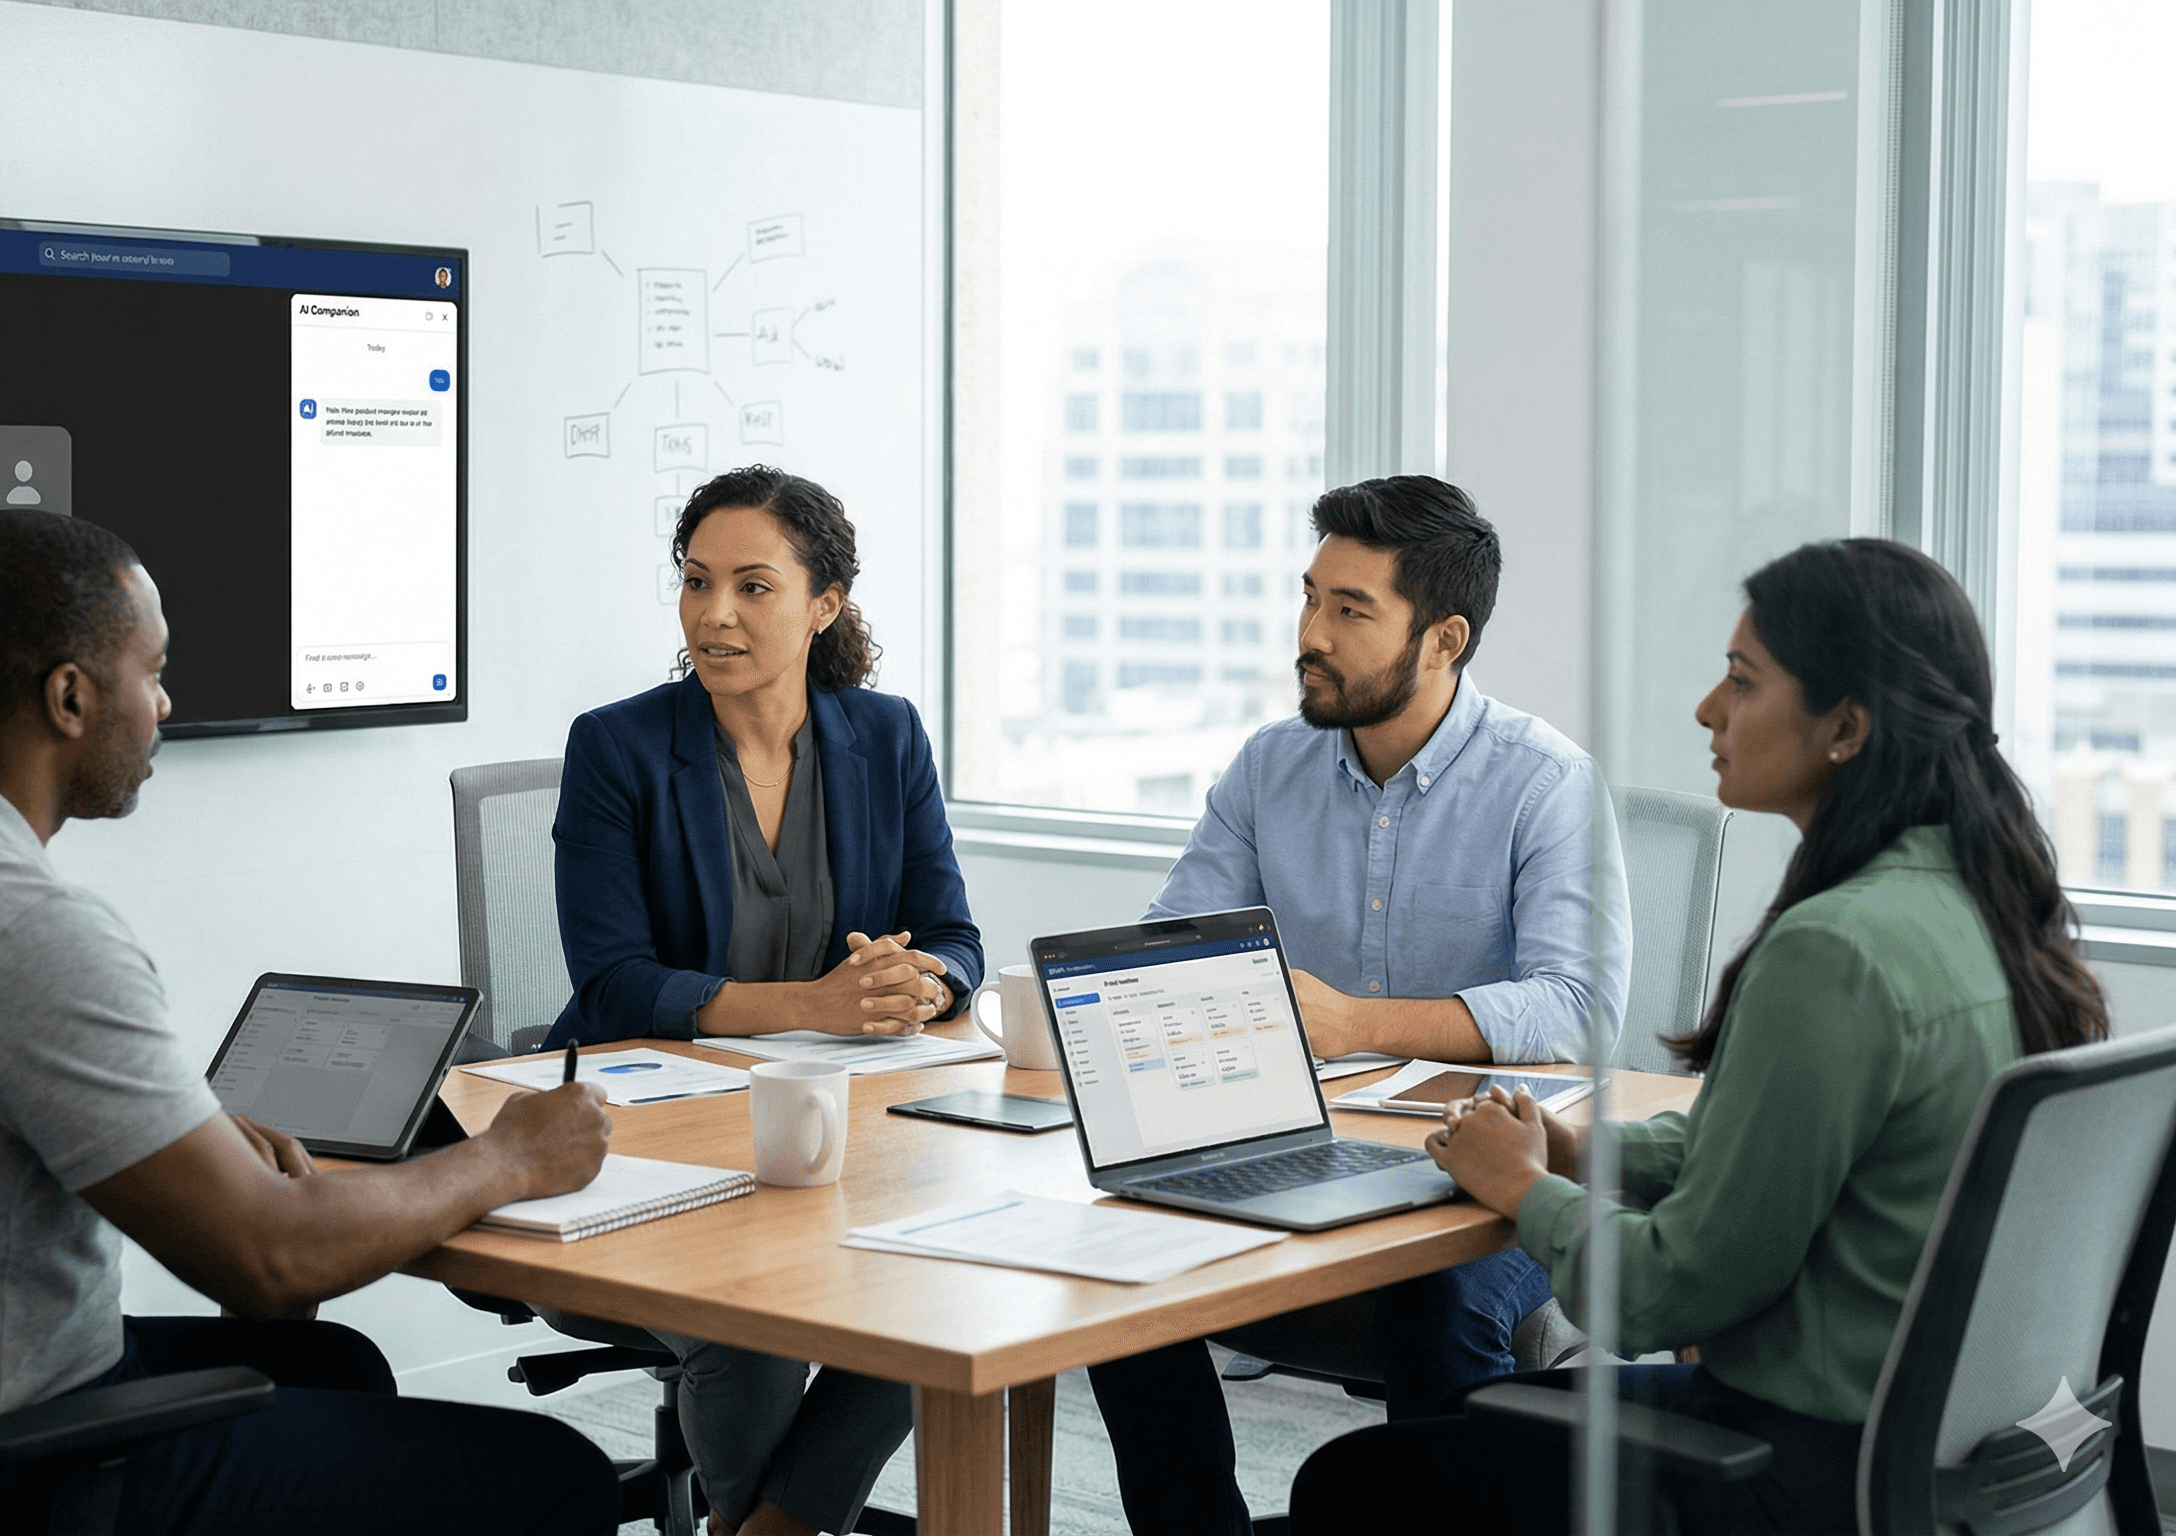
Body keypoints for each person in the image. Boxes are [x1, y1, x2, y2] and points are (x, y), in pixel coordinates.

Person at [0, 510, 621, 1536]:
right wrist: (511, 1158)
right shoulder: (23, 928)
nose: (164, 705)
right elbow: (268, 1260)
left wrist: (194, 1152)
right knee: (562, 1477)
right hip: (0, 1472)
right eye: (151, 673)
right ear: (70, 697)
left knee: (331, 1367)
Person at [1287, 537, 2110, 1534]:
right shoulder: (1981, 903)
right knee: (1485, 1426)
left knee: (1346, 1486)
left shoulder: (1835, 951)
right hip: (1935, 1446)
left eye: (1741, 680)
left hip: (1799, 1466)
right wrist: (1581, 1150)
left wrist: (1524, 1189)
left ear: (1845, 727)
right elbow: (1768, 1147)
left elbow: (1662, 1297)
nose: (1707, 710)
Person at [1084, 475, 1633, 1536]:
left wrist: (1357, 1022)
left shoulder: (1543, 781)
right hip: (1299, 1142)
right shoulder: (1268, 767)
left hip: (1487, 1166)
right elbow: (1178, 944)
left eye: (1351, 610)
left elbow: (1578, 1007)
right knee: (1115, 1269)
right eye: (1308, 597)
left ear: (1443, 640)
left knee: (1435, 1307)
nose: (1311, 635)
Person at [542, 466, 983, 1536]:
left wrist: (918, 984)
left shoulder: (885, 736)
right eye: (696, 582)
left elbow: (956, 936)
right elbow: (613, 984)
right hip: (642, 1141)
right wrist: (816, 1006)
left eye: (752, 586)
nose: (715, 614)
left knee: (950, 1273)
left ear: (824, 604)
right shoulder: (618, 746)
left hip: (835, 1137)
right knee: (755, 1320)